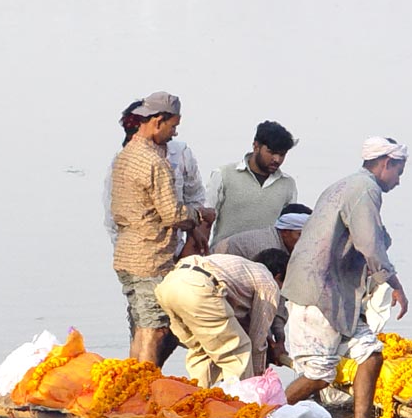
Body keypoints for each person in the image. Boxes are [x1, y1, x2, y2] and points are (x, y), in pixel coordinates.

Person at [280, 137, 410, 418]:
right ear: (385, 164)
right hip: (319, 291)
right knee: (319, 375)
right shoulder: (365, 189)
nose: (399, 180)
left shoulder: (350, 185)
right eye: (399, 172)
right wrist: (394, 283)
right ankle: (265, 416)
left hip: (336, 293)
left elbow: (374, 238)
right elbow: (369, 243)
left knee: (371, 353)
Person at [109, 92, 216, 366]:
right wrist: (200, 215)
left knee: (141, 324)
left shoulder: (126, 154)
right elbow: (172, 214)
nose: (174, 133)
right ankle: (142, 392)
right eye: (173, 126)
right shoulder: (156, 162)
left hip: (127, 254)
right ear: (158, 122)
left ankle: (132, 387)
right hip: (150, 258)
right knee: (154, 328)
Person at [154, 248, 290, 388]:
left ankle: (194, 400)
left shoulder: (244, 269)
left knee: (203, 351)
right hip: (198, 288)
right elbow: (257, 340)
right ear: (278, 276)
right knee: (239, 352)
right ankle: (242, 405)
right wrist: (257, 382)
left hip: (169, 285)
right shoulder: (268, 281)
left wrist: (274, 342)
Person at [207, 121, 298, 244]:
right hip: (225, 258)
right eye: (271, 152)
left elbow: (289, 228)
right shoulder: (224, 175)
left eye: (282, 155)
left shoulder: (287, 184)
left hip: (267, 260)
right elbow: (206, 218)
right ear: (256, 147)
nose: (277, 159)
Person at [213, 203, 311, 259]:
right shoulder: (266, 246)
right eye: (300, 235)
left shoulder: (277, 238)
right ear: (285, 232)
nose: (304, 241)